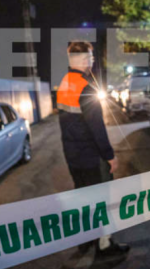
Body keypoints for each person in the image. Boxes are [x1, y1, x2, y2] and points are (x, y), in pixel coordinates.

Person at [56, 41, 130, 257]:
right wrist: (110, 156)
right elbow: (96, 128)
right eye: (89, 57)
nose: (93, 61)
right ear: (81, 60)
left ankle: (86, 241)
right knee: (100, 202)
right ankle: (105, 247)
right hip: (90, 156)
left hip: (72, 155)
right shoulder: (86, 88)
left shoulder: (64, 83)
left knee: (83, 200)